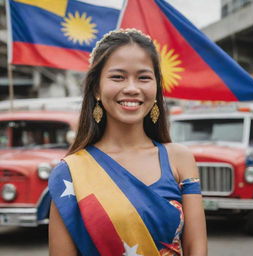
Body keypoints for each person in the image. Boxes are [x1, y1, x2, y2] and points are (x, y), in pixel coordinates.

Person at [48, 29, 207, 256]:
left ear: (156, 88)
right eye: (118, 77)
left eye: (143, 77)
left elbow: (197, 248)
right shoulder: (71, 172)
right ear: (96, 89)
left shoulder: (179, 159)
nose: (132, 88)